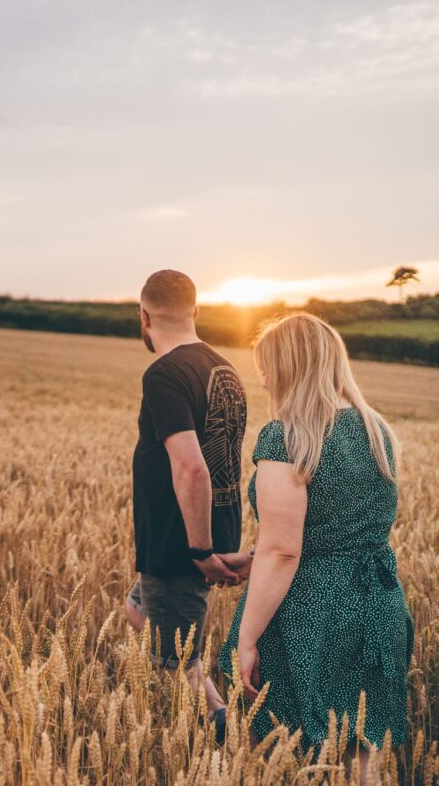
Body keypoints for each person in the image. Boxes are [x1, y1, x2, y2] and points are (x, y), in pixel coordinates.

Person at [219, 313, 413, 785]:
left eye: (266, 366)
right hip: (377, 601)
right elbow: (340, 523)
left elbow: (284, 551)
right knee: (359, 747)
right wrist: (256, 554)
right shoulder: (376, 430)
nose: (262, 377)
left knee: (282, 746)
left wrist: (246, 638)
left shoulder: (286, 437)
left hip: (311, 610)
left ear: (287, 368)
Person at [125, 270, 251, 742]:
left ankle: (224, 734)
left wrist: (200, 551)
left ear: (144, 315)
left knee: (180, 660)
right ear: (195, 311)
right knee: (137, 606)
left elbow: (193, 467)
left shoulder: (164, 374)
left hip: (181, 542)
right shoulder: (224, 368)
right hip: (209, 531)